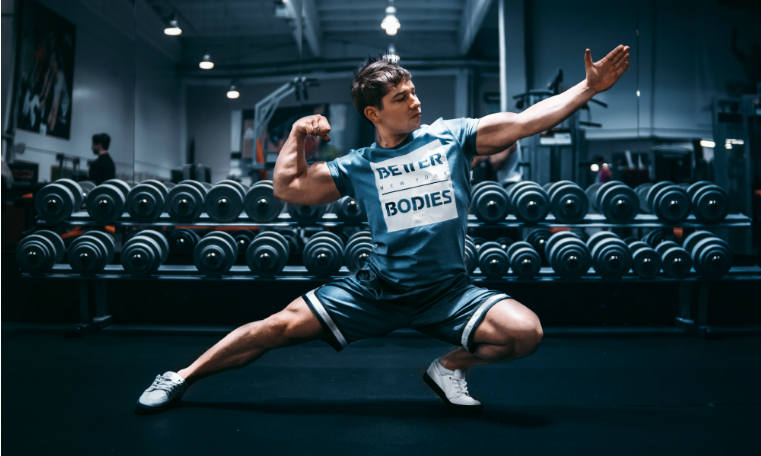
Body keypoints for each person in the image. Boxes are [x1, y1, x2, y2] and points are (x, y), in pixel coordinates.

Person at [136, 45, 630, 414]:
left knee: (526, 332)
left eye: (413, 89)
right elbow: (288, 187)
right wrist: (297, 134)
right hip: (375, 290)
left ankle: (449, 368)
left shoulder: (452, 138)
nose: (415, 100)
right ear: (375, 112)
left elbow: (524, 122)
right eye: (401, 97)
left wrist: (587, 88)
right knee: (275, 329)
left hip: (447, 292)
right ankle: (179, 378)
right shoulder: (359, 165)